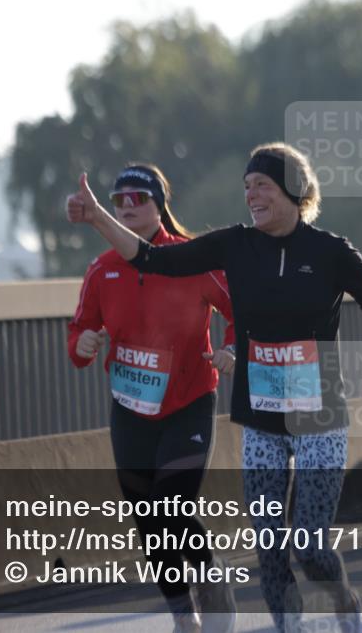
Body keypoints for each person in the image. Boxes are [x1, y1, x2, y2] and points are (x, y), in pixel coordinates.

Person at [67, 143, 362, 633]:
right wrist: (98, 219)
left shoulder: (332, 251)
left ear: (294, 190)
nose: (251, 195)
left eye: (262, 184)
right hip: (260, 420)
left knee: (309, 547)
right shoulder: (232, 245)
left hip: (318, 416)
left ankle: (346, 605)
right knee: (269, 549)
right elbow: (152, 258)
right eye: (246, 187)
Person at [67, 163, 237, 633]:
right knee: (147, 517)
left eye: (138, 198)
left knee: (171, 502)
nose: (127, 206)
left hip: (189, 402)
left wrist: (231, 348)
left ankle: (209, 579)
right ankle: (184, 613)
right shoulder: (102, 269)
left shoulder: (190, 259)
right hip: (130, 408)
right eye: (119, 199)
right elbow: (80, 328)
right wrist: (80, 345)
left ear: (159, 205)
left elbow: (240, 310)